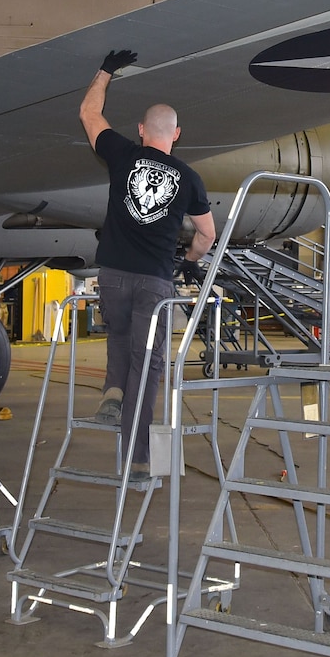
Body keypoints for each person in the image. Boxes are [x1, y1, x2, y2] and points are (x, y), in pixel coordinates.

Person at [80, 51, 216, 479]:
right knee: (150, 361)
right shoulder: (189, 178)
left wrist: (105, 72)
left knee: (118, 339)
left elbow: (88, 112)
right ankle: (137, 458)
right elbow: (207, 234)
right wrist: (190, 261)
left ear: (141, 130)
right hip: (155, 280)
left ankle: (112, 393)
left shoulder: (122, 154)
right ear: (177, 133)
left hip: (113, 275)